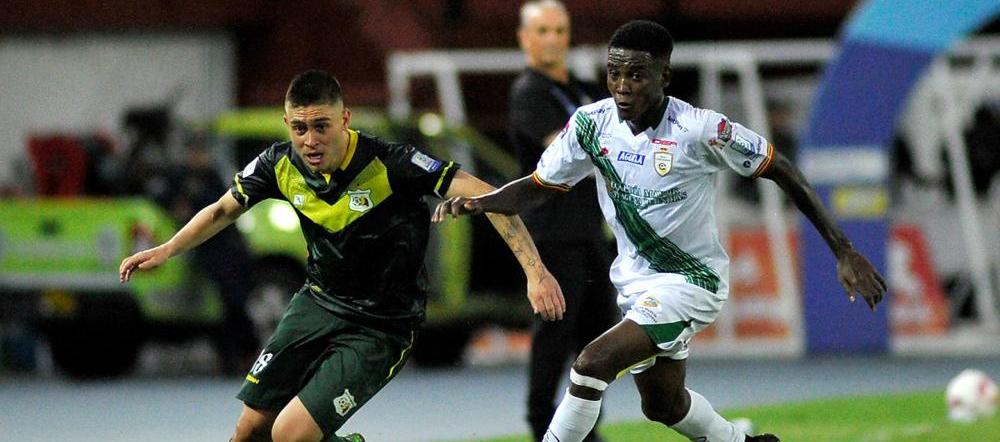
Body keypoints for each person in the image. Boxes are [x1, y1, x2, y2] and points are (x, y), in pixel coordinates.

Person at [434, 20, 887, 442]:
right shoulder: (592, 125)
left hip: (691, 282)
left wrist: (843, 250)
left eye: (636, 75)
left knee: (591, 364)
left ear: (664, 76)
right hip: (635, 283)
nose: (622, 86)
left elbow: (779, 167)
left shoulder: (701, 129)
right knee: (663, 404)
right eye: (615, 74)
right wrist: (482, 202)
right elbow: (539, 186)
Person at [120, 69, 566, 442]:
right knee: (249, 431)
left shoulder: (390, 163)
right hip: (316, 306)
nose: (310, 140)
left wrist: (536, 272)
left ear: (345, 119)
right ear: (287, 124)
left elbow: (490, 197)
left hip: (381, 325)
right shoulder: (278, 164)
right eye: (299, 128)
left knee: (289, 435)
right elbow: (221, 210)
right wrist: (167, 249)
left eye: (321, 126)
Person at [508, 2, 618, 441]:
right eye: (543, 31)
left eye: (559, 30)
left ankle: (587, 429)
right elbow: (569, 152)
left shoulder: (584, 88)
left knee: (598, 342)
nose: (553, 39)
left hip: (592, 233)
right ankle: (541, 425)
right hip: (552, 235)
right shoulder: (529, 92)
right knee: (553, 338)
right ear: (525, 39)